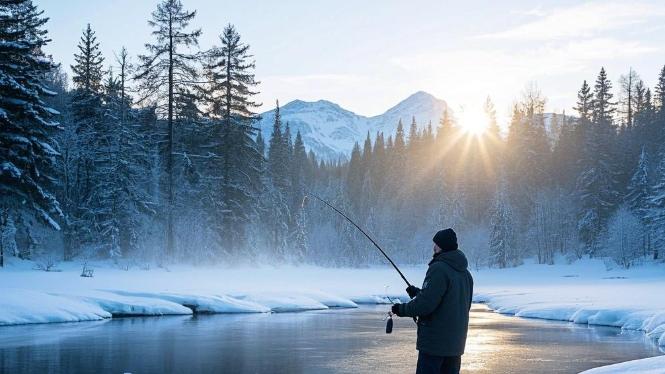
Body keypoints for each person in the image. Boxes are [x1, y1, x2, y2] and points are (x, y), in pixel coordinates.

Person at [391, 228, 474, 374]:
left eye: (436, 244)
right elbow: (452, 303)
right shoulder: (466, 274)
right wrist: (418, 292)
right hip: (455, 345)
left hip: (435, 345)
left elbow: (425, 305)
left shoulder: (439, 269)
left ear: (443, 246)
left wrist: (400, 309)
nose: (433, 247)